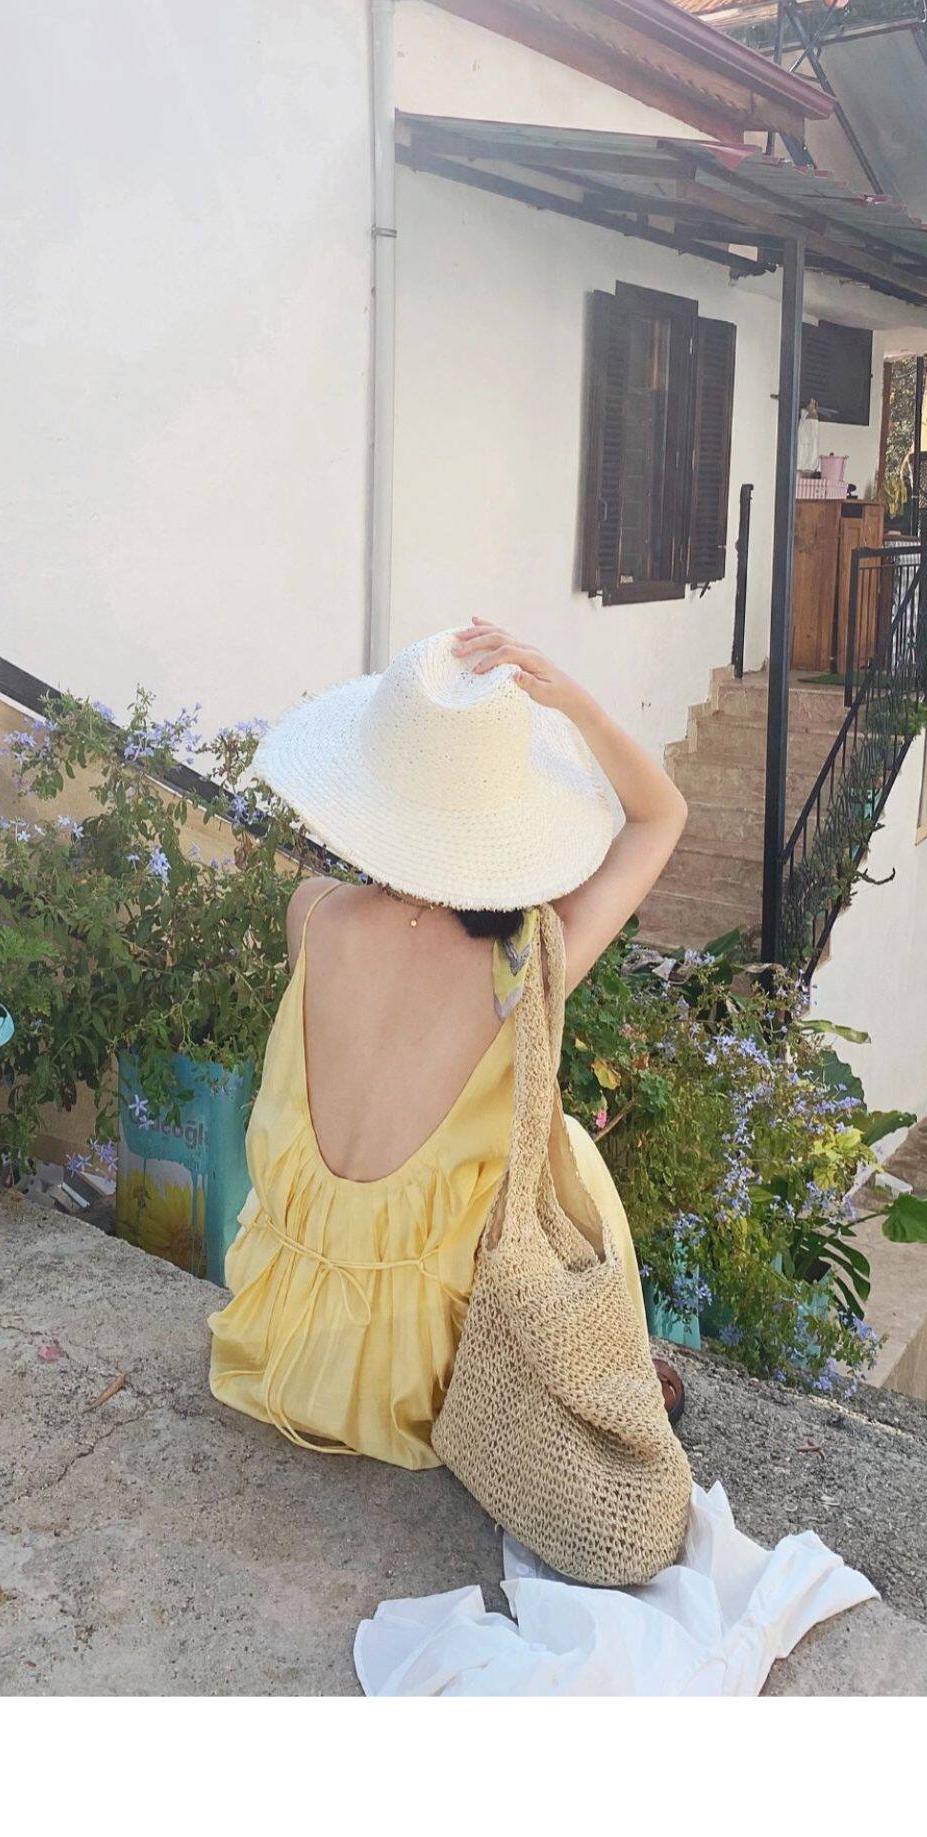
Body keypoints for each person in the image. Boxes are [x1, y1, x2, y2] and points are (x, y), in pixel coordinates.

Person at [208, 620, 689, 1469]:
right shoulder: (522, 966)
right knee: (567, 1149)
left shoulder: (313, 912)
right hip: (420, 1380)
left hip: (280, 1339)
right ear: (502, 820)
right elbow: (660, 817)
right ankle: (610, 1361)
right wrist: (575, 705)